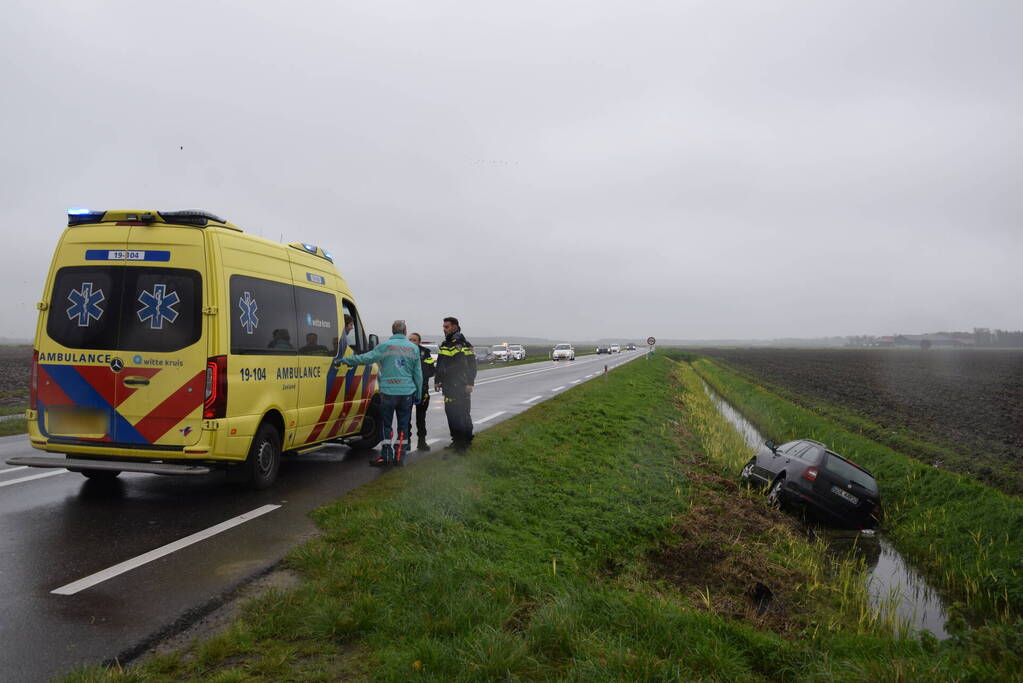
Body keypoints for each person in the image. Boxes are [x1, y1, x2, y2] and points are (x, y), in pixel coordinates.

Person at [336, 320, 422, 466]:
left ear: (393, 331)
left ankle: (386, 456)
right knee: (403, 425)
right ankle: (400, 456)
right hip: (407, 393)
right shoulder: (413, 348)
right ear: (405, 332)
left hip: (388, 392)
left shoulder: (384, 346)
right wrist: (418, 393)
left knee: (386, 425)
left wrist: (346, 360)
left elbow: (366, 358)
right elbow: (417, 373)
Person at [435, 316, 476, 452]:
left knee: (461, 413)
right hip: (448, 385)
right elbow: (440, 364)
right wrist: (437, 380)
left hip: (461, 385)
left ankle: (464, 442)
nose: (444, 329)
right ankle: (456, 440)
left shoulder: (463, 344)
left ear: (455, 327)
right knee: (451, 413)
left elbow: (470, 366)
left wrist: (470, 382)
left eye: (446, 327)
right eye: (444, 327)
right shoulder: (445, 344)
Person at [407, 332, 436, 451]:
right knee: (405, 417)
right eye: (410, 340)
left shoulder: (425, 352)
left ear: (419, 342)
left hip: (422, 389)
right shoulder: (404, 352)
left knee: (421, 417)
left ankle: (422, 442)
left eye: (414, 340)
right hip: (407, 389)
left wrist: (422, 378)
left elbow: (431, 369)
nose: (412, 342)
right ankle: (406, 441)